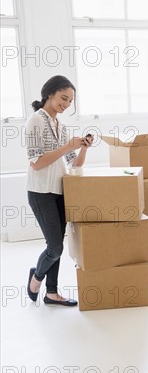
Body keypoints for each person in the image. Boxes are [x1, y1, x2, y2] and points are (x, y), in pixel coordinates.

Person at [26, 75, 93, 307]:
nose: (66, 104)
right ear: (50, 93)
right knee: (54, 247)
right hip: (40, 192)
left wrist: (83, 148)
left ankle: (51, 293)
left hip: (60, 191)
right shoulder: (35, 121)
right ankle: (36, 277)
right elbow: (36, 162)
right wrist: (67, 146)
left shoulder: (60, 126)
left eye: (70, 101)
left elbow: (74, 163)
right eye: (63, 98)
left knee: (57, 245)